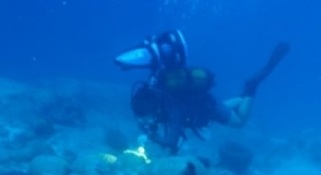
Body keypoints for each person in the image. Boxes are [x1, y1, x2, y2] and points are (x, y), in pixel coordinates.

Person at [115, 30, 290, 153]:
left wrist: (151, 137)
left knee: (239, 122)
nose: (146, 119)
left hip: (208, 107)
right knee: (221, 106)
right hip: (204, 104)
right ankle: (241, 98)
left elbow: (171, 142)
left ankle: (250, 88)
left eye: (145, 115)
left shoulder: (171, 107)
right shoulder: (159, 90)